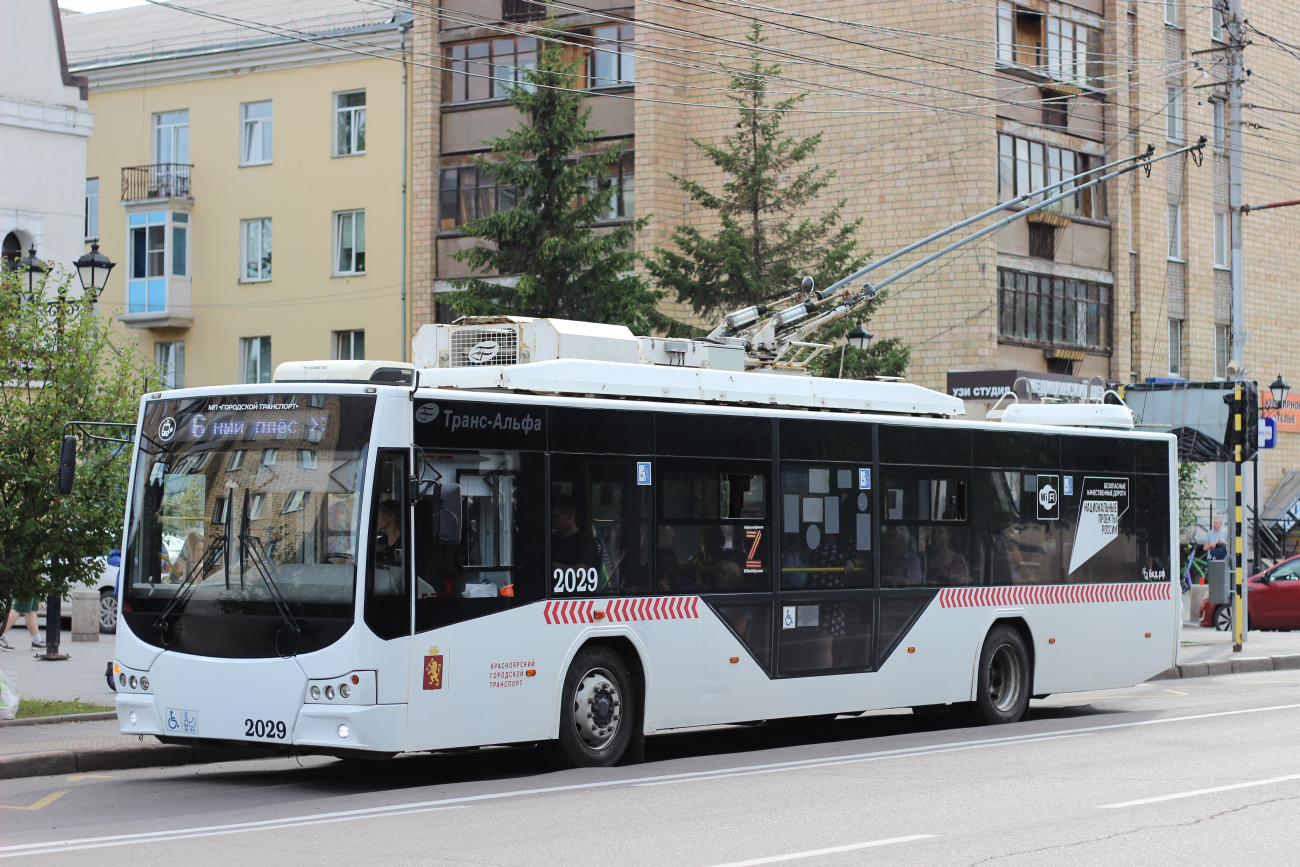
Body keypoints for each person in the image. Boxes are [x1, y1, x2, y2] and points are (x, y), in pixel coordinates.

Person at [551, 495, 599, 573]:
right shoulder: (553, 540)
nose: (552, 521)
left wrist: (550, 564)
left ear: (570, 515)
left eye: (555, 517)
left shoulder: (585, 542)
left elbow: (580, 573)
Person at [373, 500, 404, 567]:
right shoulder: (379, 542)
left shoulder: (406, 543)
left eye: (378, 515)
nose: (375, 519)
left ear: (391, 517)